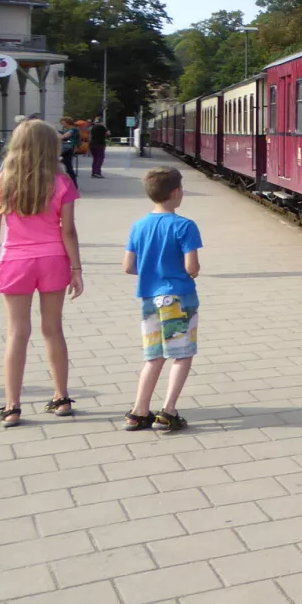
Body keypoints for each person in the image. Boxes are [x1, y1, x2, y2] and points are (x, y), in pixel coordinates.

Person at [0, 119, 83, 427]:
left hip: (15, 262)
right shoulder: (61, 182)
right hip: (53, 260)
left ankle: (12, 407)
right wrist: (76, 269)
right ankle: (61, 397)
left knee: (16, 333)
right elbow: (69, 231)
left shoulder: (2, 181)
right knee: (53, 330)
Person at [122, 166, 202, 432]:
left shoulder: (139, 225)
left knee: (154, 356)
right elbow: (192, 267)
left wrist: (150, 272)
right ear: (177, 192)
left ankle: (138, 411)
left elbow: (128, 266)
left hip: (149, 299)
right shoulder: (185, 226)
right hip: (179, 298)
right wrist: (190, 273)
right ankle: (167, 411)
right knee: (181, 355)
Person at [58, 118, 80, 186]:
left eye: (63, 122)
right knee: (68, 167)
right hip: (69, 149)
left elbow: (63, 137)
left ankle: (72, 184)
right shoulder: (74, 129)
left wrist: (55, 134)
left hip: (67, 149)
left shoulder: (72, 130)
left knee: (68, 168)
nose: (62, 124)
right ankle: (73, 184)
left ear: (67, 122)